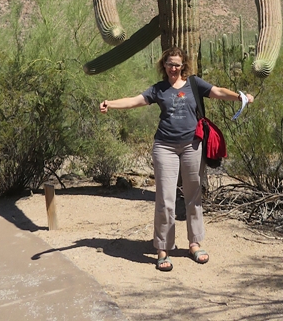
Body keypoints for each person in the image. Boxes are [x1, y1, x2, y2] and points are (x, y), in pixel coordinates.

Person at [99, 46, 254, 272]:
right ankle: (163, 249)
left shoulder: (194, 84)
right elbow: (134, 101)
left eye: (177, 64)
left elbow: (218, 91)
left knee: (193, 195)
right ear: (164, 65)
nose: (173, 68)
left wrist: (240, 96)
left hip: (192, 145)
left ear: (183, 66)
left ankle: (194, 243)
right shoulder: (159, 89)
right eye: (169, 64)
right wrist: (110, 103)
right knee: (165, 198)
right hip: (165, 147)